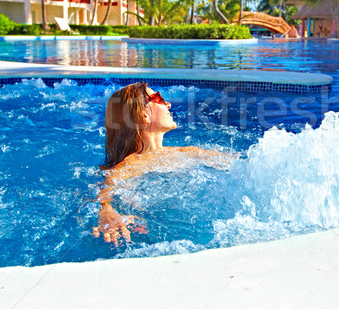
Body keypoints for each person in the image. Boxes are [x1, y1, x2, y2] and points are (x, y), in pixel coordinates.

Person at [93, 82, 235, 246]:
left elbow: (238, 162)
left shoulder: (187, 152)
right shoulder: (130, 165)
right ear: (144, 115)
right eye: (159, 98)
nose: (168, 104)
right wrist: (106, 210)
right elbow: (105, 190)